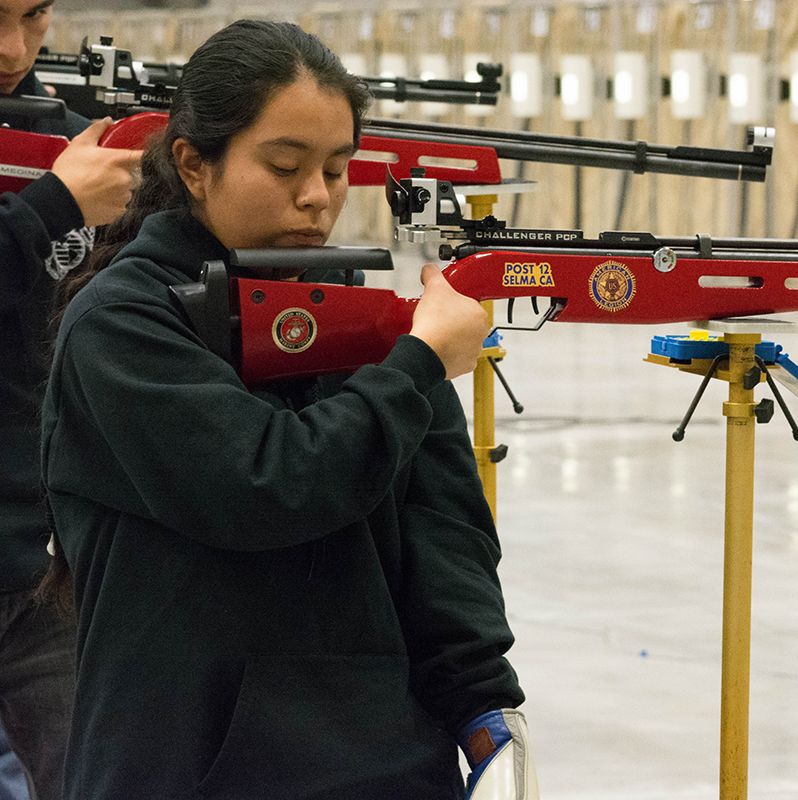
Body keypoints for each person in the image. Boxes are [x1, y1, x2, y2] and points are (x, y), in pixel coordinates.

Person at [39, 18, 536, 799]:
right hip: (185, 770)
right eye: (284, 166)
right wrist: (417, 366)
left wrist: (484, 705)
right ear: (194, 165)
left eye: (337, 170)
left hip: (385, 766)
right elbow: (265, 483)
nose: (317, 196)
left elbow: (446, 532)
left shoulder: (364, 321)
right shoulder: (121, 321)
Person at [0, 1, 141, 798]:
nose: (12, 49)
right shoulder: (62, 184)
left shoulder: (69, 143)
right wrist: (51, 208)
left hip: (47, 563)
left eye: (34, 15)